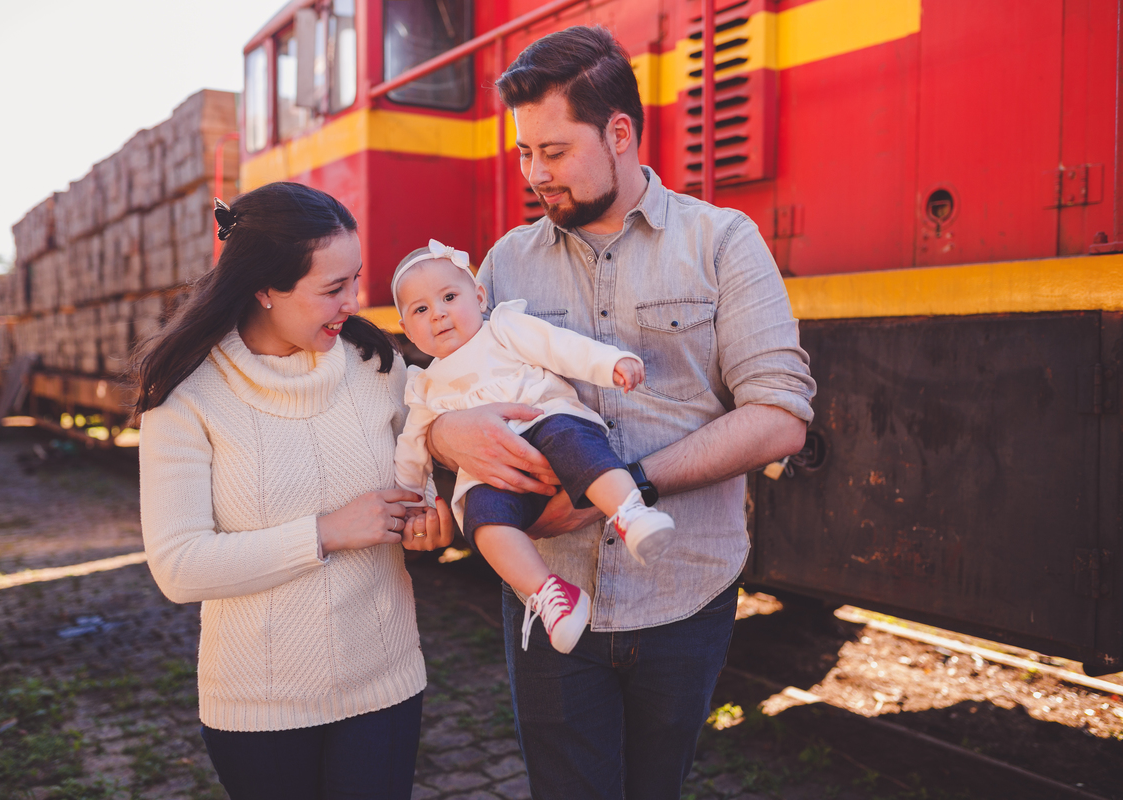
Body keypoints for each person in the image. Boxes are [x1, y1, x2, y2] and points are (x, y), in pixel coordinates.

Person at [426, 26, 817, 800]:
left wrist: (621, 484)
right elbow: (447, 387)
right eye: (524, 154)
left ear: (619, 132)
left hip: (684, 595)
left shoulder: (723, 243)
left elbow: (779, 414)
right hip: (550, 599)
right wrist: (443, 434)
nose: (535, 175)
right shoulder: (503, 263)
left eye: (554, 152)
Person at [134, 182, 454, 800]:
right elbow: (179, 567)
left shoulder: (377, 364)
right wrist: (327, 532)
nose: (352, 302)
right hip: (259, 706)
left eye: (354, 281)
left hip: (385, 683)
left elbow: (425, 468)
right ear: (265, 289)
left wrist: (431, 520)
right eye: (332, 289)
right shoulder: (187, 396)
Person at [392, 239, 676, 655]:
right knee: (483, 521)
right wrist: (412, 499)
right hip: (494, 474)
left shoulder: (503, 329)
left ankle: (629, 512)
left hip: (545, 420)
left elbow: (559, 346)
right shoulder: (424, 385)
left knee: (574, 441)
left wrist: (608, 362)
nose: (438, 313)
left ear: (479, 296)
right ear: (406, 328)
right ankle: (550, 596)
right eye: (420, 310)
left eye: (449, 297)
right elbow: (410, 450)